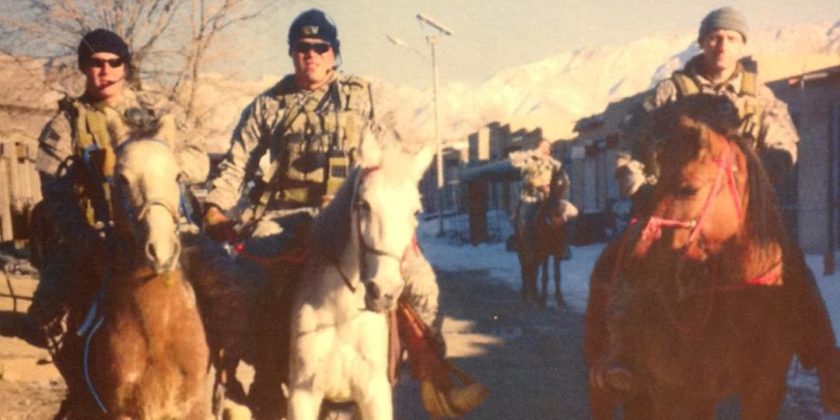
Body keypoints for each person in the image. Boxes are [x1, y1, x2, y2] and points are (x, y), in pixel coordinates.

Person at [200, 9, 442, 418]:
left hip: (352, 214)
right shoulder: (268, 106)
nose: (310, 54)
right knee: (240, 284)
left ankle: (429, 363)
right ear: (291, 52)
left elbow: (392, 150)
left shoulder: (362, 96)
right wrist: (213, 207)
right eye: (301, 47)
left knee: (420, 280)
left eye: (319, 47)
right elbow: (236, 163)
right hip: (286, 216)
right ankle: (252, 376)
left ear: (334, 53)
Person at [604, 7, 840, 411]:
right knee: (636, 257)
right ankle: (623, 352)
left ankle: (825, 360)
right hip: (676, 203)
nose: (722, 45)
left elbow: (785, 142)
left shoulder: (758, 95)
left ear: (741, 45)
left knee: (792, 266)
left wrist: (766, 170)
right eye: (714, 37)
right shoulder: (669, 93)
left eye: (731, 38)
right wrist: (641, 188)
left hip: (741, 211)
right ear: (701, 42)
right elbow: (627, 147)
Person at [27, 29, 209, 331]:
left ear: (125, 67)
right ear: (84, 67)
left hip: (161, 224)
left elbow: (199, 160)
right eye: (97, 63)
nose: (106, 71)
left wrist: (154, 164)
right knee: (50, 305)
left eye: (114, 62)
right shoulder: (65, 125)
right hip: (95, 231)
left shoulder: (156, 111)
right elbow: (56, 194)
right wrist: (87, 241)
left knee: (220, 281)